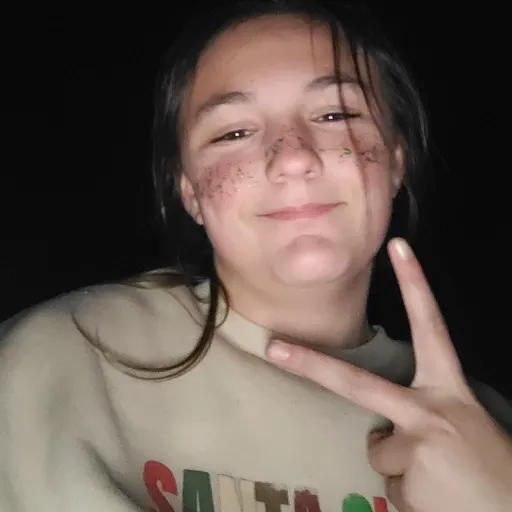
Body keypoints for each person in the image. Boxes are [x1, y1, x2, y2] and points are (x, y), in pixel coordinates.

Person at [1, 1, 511, 510]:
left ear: (397, 161)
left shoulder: (488, 426)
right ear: (189, 191)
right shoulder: (57, 360)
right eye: (233, 133)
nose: (293, 157)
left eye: (335, 114)